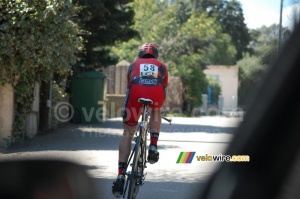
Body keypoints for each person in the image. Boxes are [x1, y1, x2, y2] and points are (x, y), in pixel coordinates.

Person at [112, 43, 168, 197]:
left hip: (135, 93)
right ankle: (153, 146)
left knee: (127, 132)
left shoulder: (133, 65)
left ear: (140, 55)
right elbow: (165, 88)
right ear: (156, 55)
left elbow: (129, 85)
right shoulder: (162, 66)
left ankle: (121, 175)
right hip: (156, 93)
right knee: (156, 108)